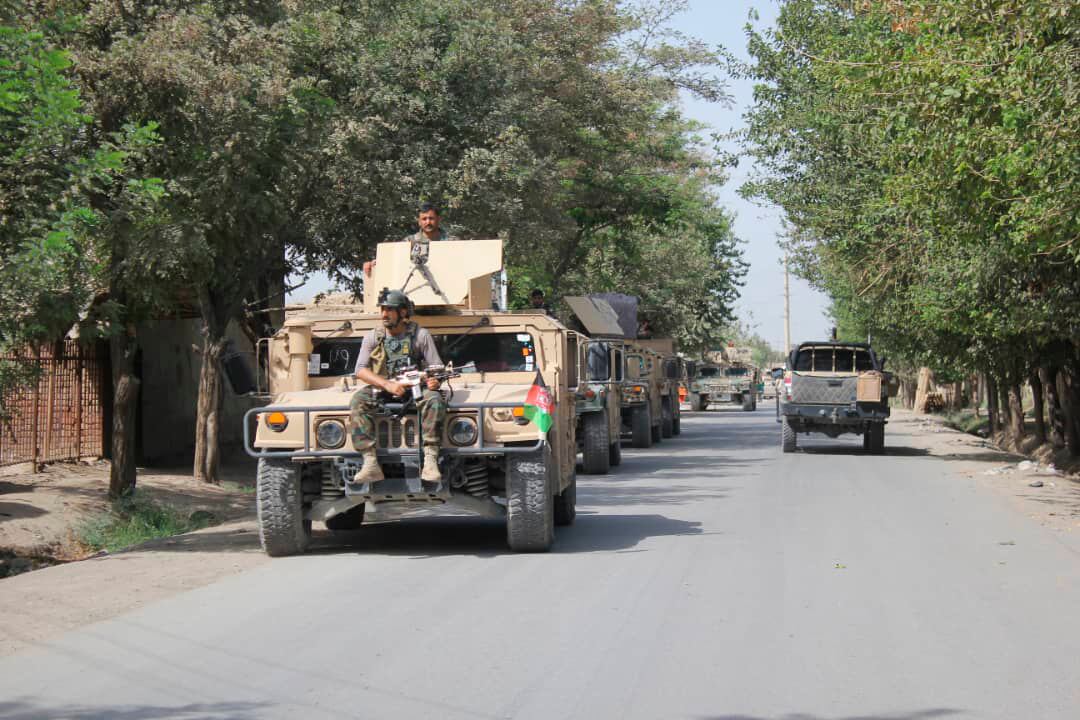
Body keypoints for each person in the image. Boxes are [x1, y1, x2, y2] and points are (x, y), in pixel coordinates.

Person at [349, 289, 447, 486]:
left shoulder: (420, 335)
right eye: (382, 309)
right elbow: (360, 370)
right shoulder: (373, 337)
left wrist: (435, 381)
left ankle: (430, 458)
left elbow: (437, 368)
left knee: (435, 399)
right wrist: (387, 384)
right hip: (384, 388)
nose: (384, 314)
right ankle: (370, 462)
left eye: (390, 310)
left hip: (415, 389)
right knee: (358, 400)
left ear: (403, 312)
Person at [363, 202, 457, 276]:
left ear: (438, 219)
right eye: (424, 219)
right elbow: (394, 260)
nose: (428, 222)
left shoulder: (452, 242)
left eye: (431, 218)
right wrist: (373, 264)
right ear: (419, 222)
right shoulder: (410, 242)